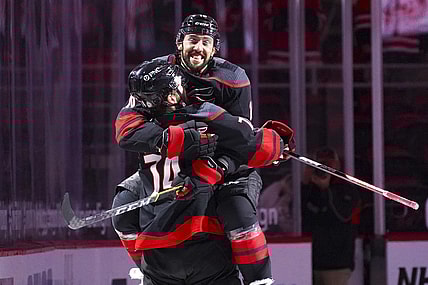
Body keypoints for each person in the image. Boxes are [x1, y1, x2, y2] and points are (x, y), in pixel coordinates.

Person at [113, 60, 295, 284]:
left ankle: (259, 279)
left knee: (238, 210)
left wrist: (222, 164)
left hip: (156, 248)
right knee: (236, 214)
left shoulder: (144, 116)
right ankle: (259, 279)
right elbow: (252, 143)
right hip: (199, 237)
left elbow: (125, 132)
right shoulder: (202, 112)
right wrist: (276, 143)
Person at [301, 147, 360, 285]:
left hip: (337, 263)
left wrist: (325, 189)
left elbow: (341, 216)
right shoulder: (310, 189)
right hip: (310, 261)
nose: (324, 169)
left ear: (337, 166)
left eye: (328, 164)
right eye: (320, 164)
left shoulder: (347, 189)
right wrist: (304, 183)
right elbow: (297, 214)